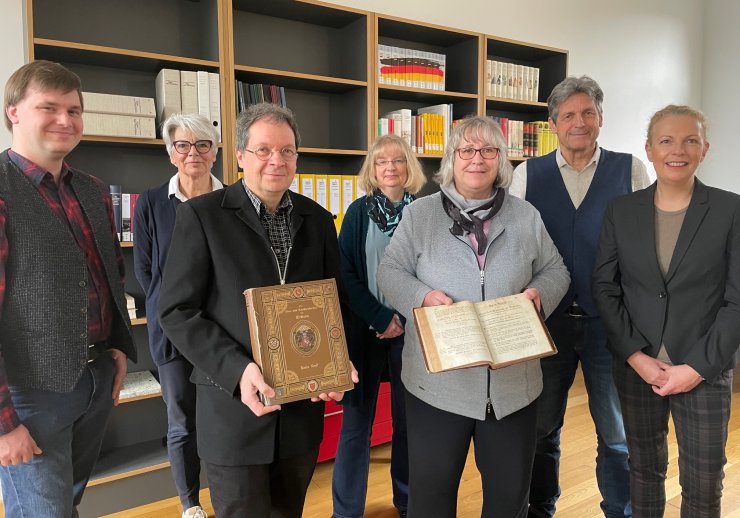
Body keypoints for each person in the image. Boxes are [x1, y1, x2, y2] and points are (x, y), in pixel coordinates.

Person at [158, 102, 358, 518]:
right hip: (234, 412)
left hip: (300, 416)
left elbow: (335, 302)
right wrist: (238, 370)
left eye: (287, 151)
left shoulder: (318, 220)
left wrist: (337, 360)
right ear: (240, 156)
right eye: (264, 150)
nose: (276, 161)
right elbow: (177, 311)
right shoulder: (201, 216)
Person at [377, 116, 569, 518]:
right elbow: (389, 272)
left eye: (488, 150)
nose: (477, 159)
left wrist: (539, 296)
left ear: (501, 159)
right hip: (437, 385)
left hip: (513, 386)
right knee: (430, 496)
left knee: (507, 498)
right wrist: (422, 296)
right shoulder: (421, 215)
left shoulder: (525, 215)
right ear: (451, 159)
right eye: (466, 150)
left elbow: (557, 271)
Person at [509, 75, 650, 518]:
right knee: (541, 428)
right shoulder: (527, 174)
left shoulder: (630, 170)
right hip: (545, 325)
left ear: (601, 119)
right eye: (568, 114)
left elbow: (646, 246)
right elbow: (513, 247)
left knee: (616, 433)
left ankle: (619, 510)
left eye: (588, 112)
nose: (579, 122)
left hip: (611, 325)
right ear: (552, 124)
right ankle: (540, 507)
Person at [0, 60, 136, 517]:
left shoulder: (94, 190)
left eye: (74, 110)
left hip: (95, 379)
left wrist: (118, 348)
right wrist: (2, 425)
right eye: (49, 107)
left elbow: (110, 275)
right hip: (31, 392)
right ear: (14, 111)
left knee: (67, 503)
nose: (66, 120)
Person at [593, 105, 740, 517]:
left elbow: (738, 301)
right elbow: (605, 288)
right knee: (643, 470)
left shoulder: (732, 210)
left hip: (703, 370)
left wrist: (696, 367)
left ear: (705, 149)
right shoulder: (621, 211)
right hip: (638, 368)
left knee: (704, 480)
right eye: (666, 140)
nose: (679, 150)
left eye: (690, 140)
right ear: (649, 150)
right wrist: (635, 356)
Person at [133, 112, 223, 518]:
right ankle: (190, 503)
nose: (193, 153)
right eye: (183, 145)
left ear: (216, 152)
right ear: (171, 154)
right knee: (182, 422)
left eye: (203, 144)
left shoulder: (233, 199)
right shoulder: (151, 202)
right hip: (172, 332)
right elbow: (146, 272)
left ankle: (226, 492)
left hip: (224, 331)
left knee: (223, 418)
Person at [331, 134, 425, 518]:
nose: (390, 167)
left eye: (398, 160)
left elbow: (432, 271)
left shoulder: (424, 212)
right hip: (363, 334)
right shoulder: (356, 213)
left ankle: (406, 501)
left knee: (408, 425)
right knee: (356, 426)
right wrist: (381, 317)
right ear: (371, 169)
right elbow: (345, 273)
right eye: (381, 161)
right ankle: (346, 511)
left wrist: (401, 318)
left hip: (412, 334)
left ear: (409, 168)